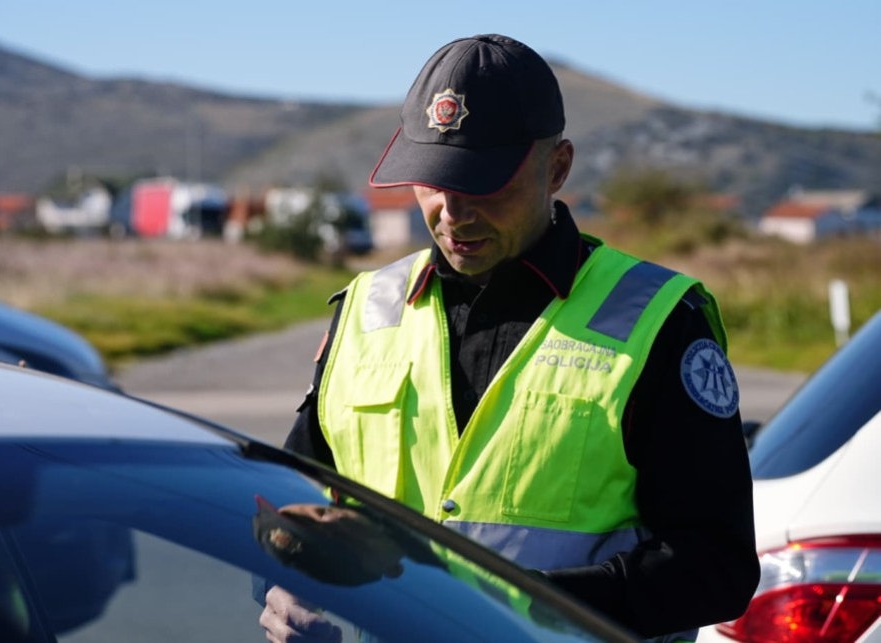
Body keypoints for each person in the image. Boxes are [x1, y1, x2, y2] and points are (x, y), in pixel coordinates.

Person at [265, 33, 759, 642]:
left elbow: (717, 569)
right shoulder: (367, 310)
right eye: (431, 179)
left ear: (558, 167)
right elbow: (290, 507)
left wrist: (520, 606)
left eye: (482, 183)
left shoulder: (658, 322)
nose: (452, 211)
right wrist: (279, 586)